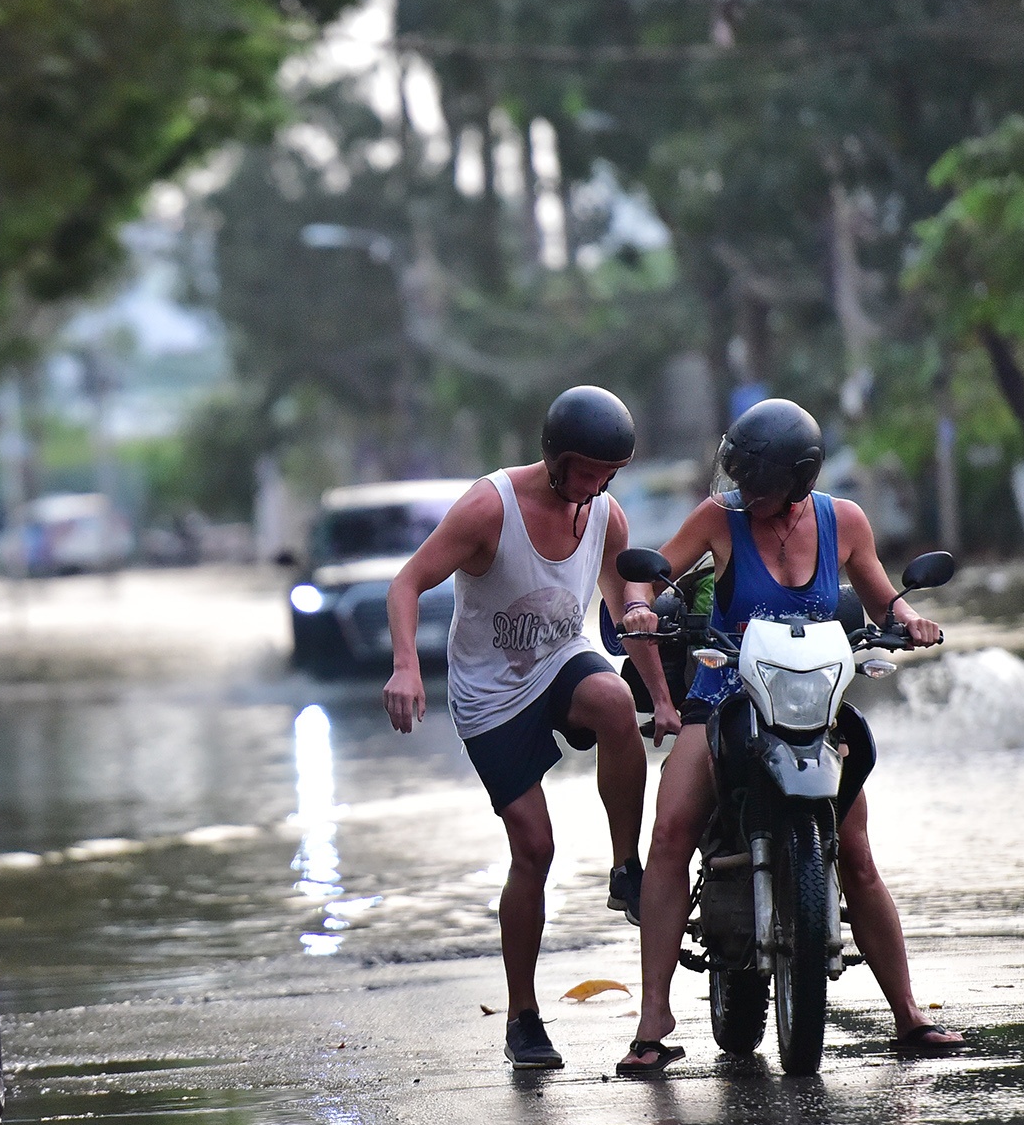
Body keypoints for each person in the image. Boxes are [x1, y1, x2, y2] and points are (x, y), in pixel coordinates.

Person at [616, 397, 961, 1073]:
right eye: (739, 476)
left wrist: (910, 618)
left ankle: (908, 1014)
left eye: (758, 481)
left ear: (800, 480)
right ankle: (653, 1018)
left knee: (856, 850)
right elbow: (653, 571)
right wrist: (639, 606)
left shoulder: (845, 521)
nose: (744, 491)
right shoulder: (720, 518)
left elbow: (884, 598)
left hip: (812, 704)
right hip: (725, 695)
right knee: (669, 833)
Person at [384, 386, 677, 1069]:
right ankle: (523, 1015)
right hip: (490, 691)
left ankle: (625, 867)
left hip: (560, 660)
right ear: (556, 459)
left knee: (612, 701)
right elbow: (407, 582)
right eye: (589, 472)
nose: (600, 487)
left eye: (611, 474)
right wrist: (405, 669)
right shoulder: (492, 507)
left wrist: (659, 695)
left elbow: (623, 609)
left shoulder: (606, 516)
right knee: (535, 849)